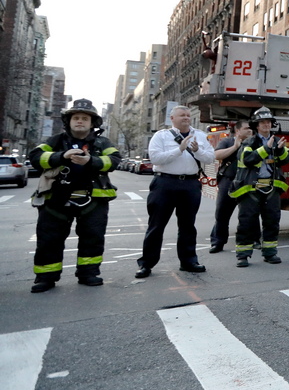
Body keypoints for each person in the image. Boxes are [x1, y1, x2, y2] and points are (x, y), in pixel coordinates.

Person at [28, 99, 121, 293]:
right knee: (49, 238)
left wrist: (91, 161)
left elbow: (114, 160)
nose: (80, 121)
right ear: (68, 121)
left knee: (92, 237)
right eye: (76, 118)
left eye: (85, 118)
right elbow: (36, 157)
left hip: (93, 199)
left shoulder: (102, 142)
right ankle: (45, 277)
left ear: (92, 122)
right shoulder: (55, 141)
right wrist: (61, 156)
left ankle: (89, 273)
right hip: (56, 198)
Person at [136, 106, 215, 278]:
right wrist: (179, 150)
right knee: (156, 225)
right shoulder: (161, 136)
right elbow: (155, 158)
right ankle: (146, 264)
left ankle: (189, 261)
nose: (186, 118)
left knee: (188, 225)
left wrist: (197, 150)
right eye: (182, 115)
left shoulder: (200, 136)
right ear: (172, 118)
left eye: (188, 115)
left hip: (190, 184)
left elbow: (210, 158)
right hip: (164, 183)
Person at [230, 107, 289, 267]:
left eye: (269, 122)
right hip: (251, 188)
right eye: (263, 122)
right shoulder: (249, 142)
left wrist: (279, 150)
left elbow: (287, 159)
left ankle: (270, 253)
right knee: (247, 222)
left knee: (272, 221)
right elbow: (247, 159)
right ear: (256, 125)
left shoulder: (278, 141)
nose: (266, 125)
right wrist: (265, 149)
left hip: (272, 187)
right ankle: (242, 255)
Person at [209, 124, 252, 253]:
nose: (250, 130)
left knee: (250, 213)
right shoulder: (227, 141)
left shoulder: (254, 143)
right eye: (246, 128)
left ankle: (253, 240)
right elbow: (217, 155)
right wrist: (235, 147)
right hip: (229, 181)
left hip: (247, 182)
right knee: (222, 213)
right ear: (237, 130)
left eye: (251, 128)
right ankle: (218, 242)